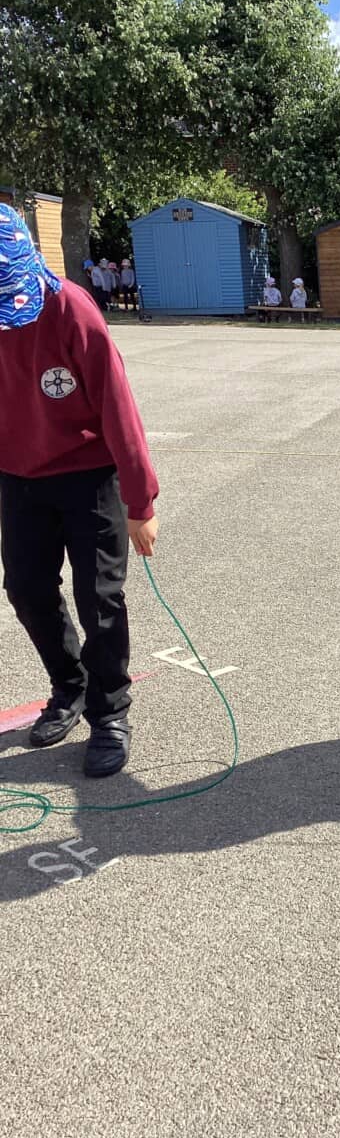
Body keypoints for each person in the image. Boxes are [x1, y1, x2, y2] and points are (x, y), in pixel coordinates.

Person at [0, 203, 160, 776]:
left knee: (101, 599)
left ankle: (109, 712)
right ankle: (69, 686)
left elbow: (118, 406)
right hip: (19, 477)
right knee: (26, 590)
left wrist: (140, 501)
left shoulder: (71, 308)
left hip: (89, 475)